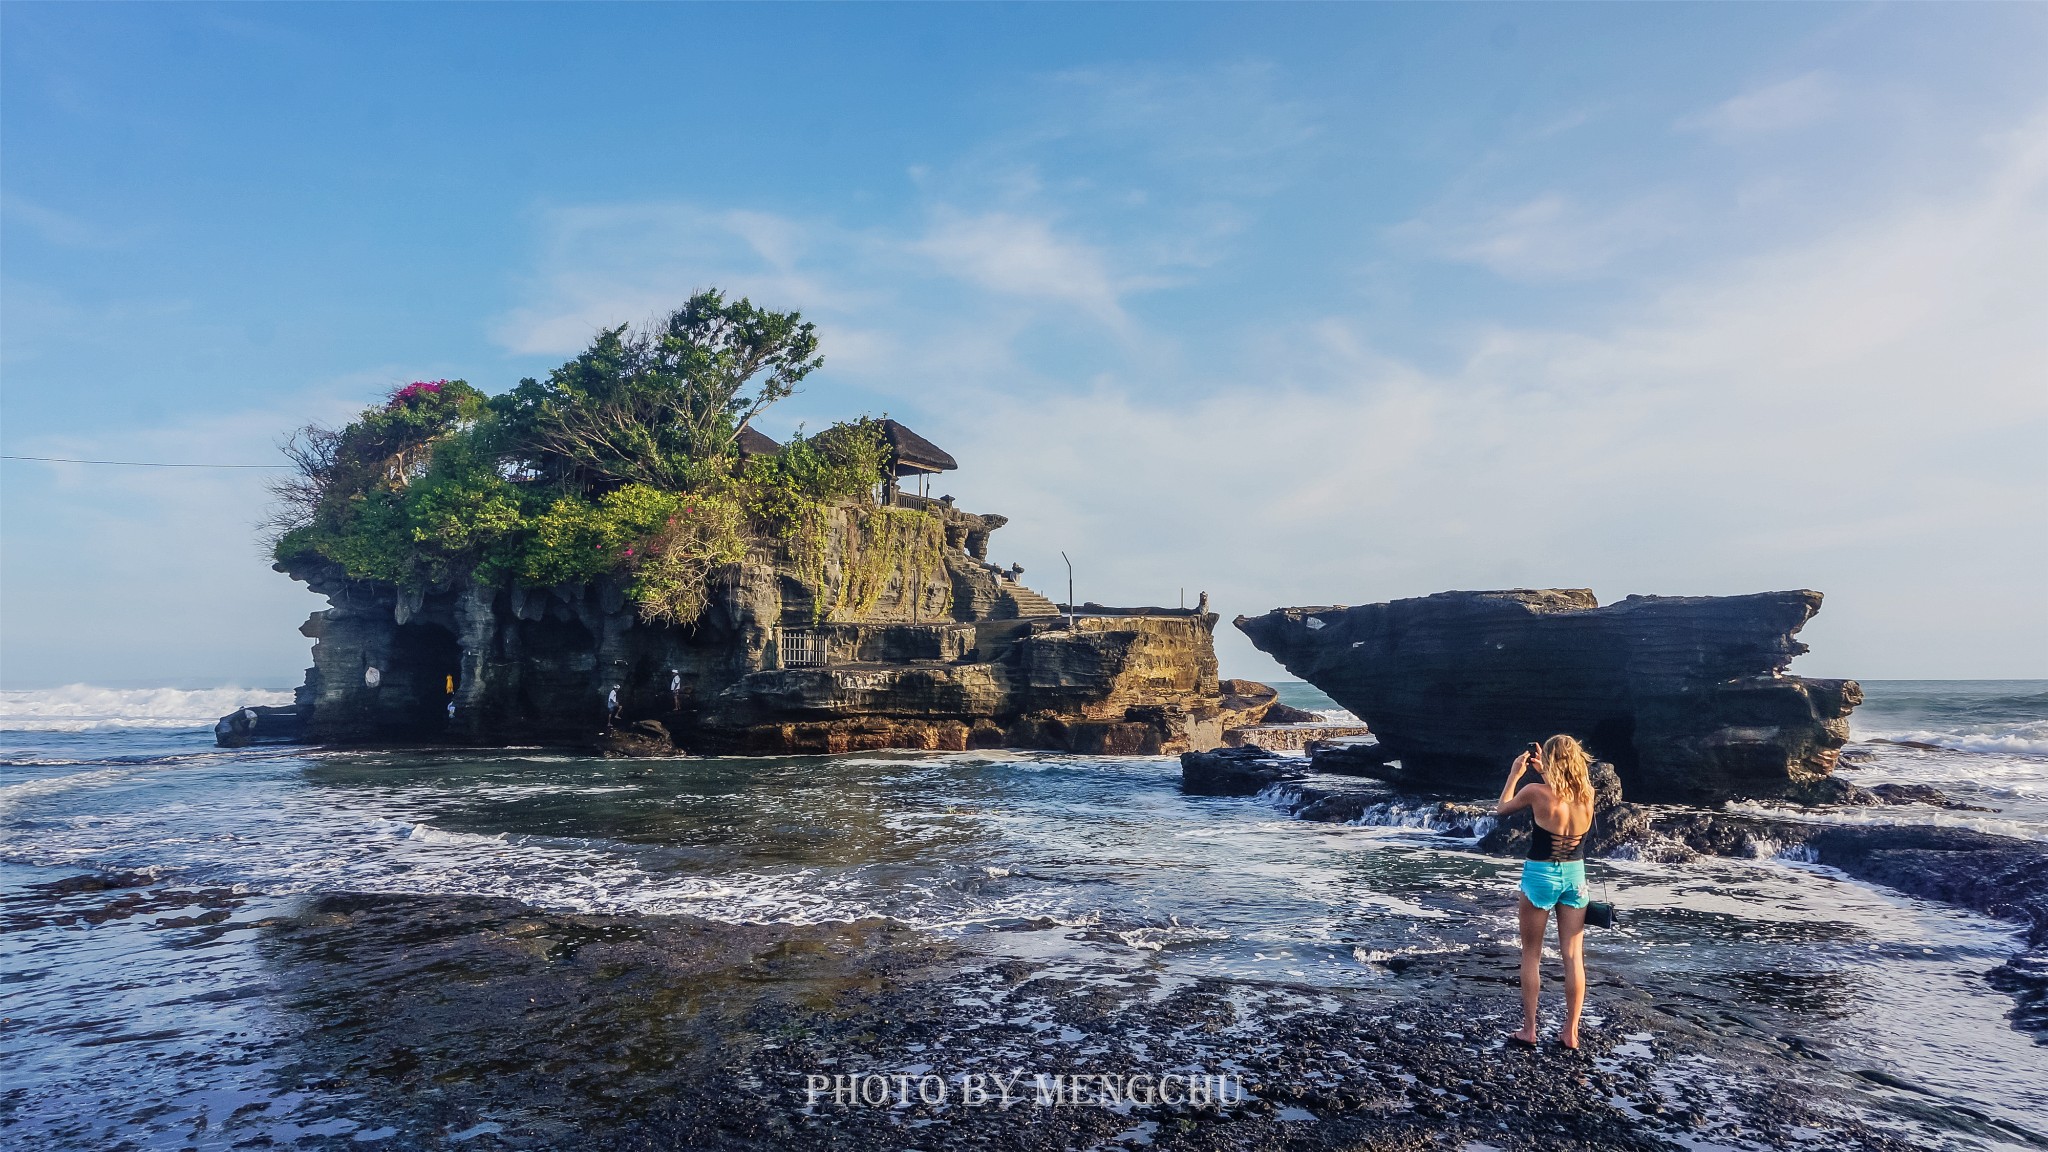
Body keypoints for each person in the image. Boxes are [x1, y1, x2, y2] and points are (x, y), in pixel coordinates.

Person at [1498, 734, 1598, 1050]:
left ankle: (1530, 1030)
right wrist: (1546, 771)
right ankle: (1571, 1033)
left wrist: (1516, 773)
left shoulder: (1535, 793)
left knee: (1532, 954)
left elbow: (1501, 809)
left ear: (1552, 761)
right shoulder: (1588, 794)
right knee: (1573, 957)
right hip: (1576, 876)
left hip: (1541, 875)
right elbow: (1563, 793)